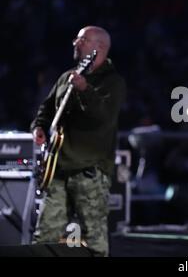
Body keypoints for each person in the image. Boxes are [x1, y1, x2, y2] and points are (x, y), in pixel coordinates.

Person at [31, 26, 126, 256]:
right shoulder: (66, 77)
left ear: (99, 47)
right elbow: (46, 108)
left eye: (82, 39)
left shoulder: (112, 81)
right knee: (43, 236)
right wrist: (39, 128)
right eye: (77, 39)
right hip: (58, 168)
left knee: (94, 239)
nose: (75, 43)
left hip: (89, 171)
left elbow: (104, 117)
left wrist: (85, 90)